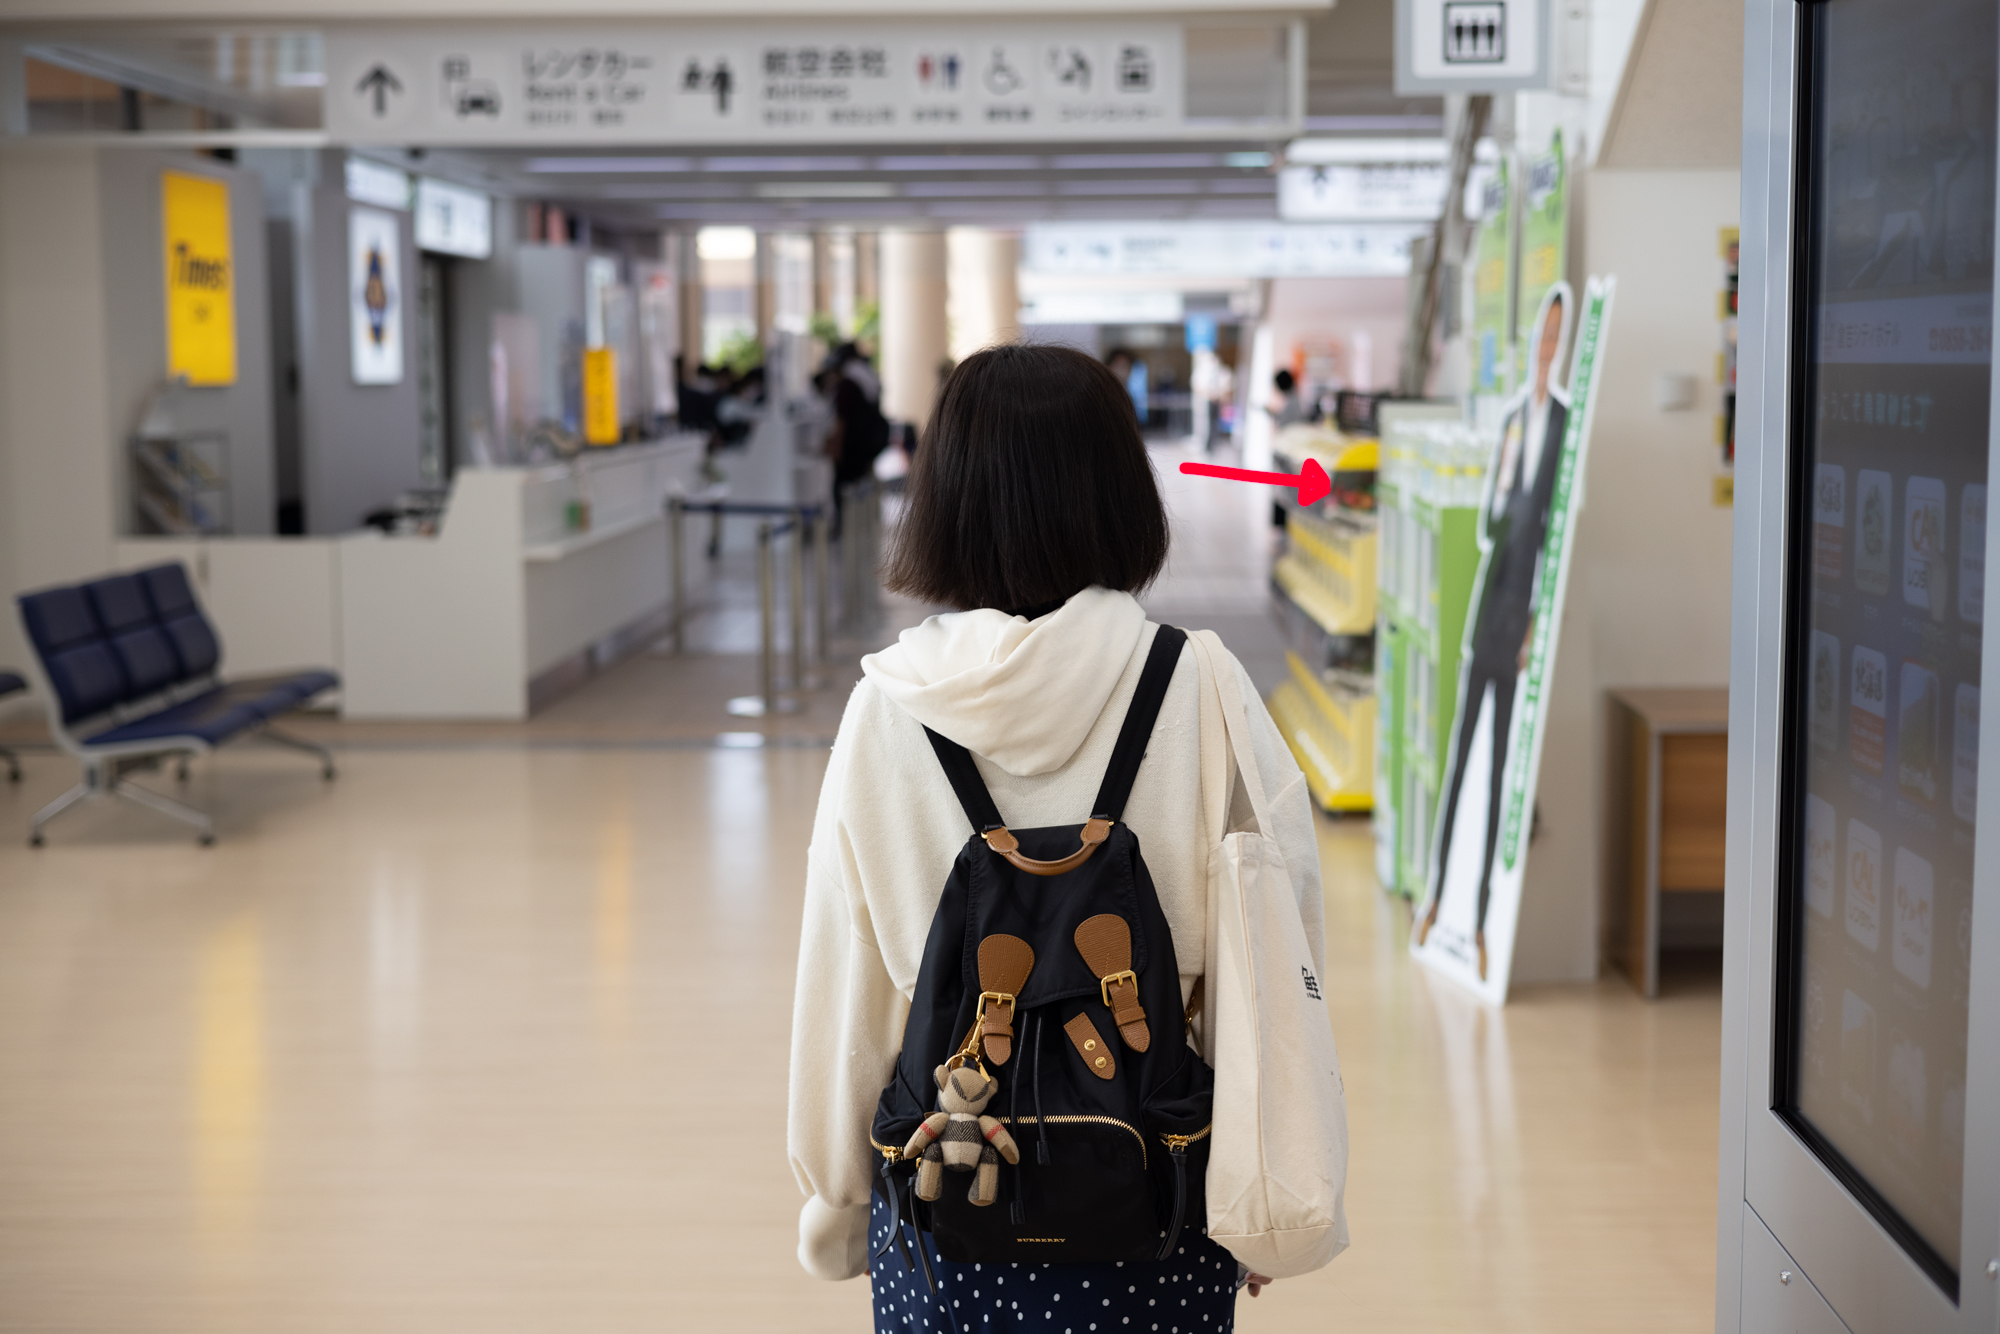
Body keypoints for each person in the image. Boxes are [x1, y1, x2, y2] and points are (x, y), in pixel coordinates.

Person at [785, 344, 1329, 1328]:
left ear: (942, 496)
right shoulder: (1198, 684)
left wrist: (837, 1197)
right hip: (1156, 1187)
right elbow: (1274, 942)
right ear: (1124, 491)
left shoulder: (887, 708)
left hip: (950, 1189)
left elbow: (847, 976)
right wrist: (1263, 1181)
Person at [1415, 288, 1571, 980]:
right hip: (1490, 606)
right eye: (1542, 335)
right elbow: (1488, 524)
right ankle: (1439, 902)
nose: (1545, 350)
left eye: (1556, 340)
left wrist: (1538, 616)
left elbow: (1557, 536)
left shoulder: (1568, 428)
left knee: (1503, 767)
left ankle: (1478, 920)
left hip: (1528, 616)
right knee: (1462, 759)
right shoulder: (1512, 422)